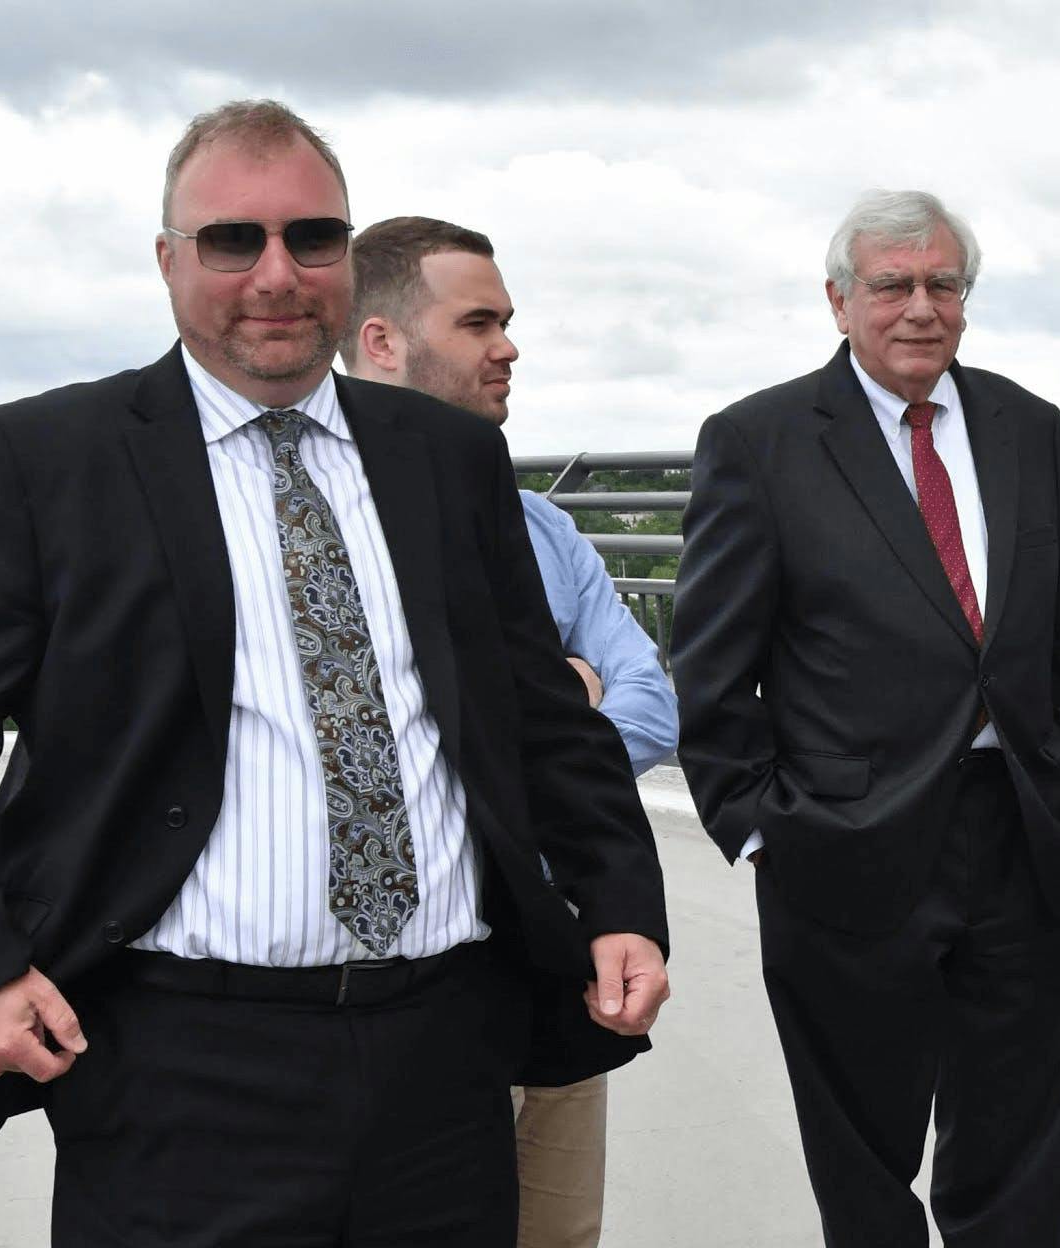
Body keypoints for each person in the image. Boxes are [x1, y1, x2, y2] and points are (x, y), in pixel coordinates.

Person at [0, 99, 669, 1248]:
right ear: (168, 260)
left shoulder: (447, 459)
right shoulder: (49, 460)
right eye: (234, 239)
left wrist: (623, 902)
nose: (276, 273)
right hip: (174, 1069)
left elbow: (540, 718)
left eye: (312, 238)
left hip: (443, 1059)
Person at [671, 189, 1060, 1247]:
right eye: (892, 285)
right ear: (838, 300)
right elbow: (711, 663)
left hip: (1021, 837)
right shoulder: (759, 441)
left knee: (1018, 1147)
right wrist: (763, 828)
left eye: (942, 284)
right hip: (842, 851)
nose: (920, 307)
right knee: (862, 1158)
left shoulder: (1024, 426)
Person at [344, 213, 680, 1248]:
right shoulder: (314, 524)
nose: (509, 347)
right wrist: (541, 713)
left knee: (556, 1234)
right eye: (479, 321)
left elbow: (651, 704)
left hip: (554, 950)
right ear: (381, 343)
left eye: (508, 320)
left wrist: (517, 742)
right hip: (411, 984)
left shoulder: (542, 527)